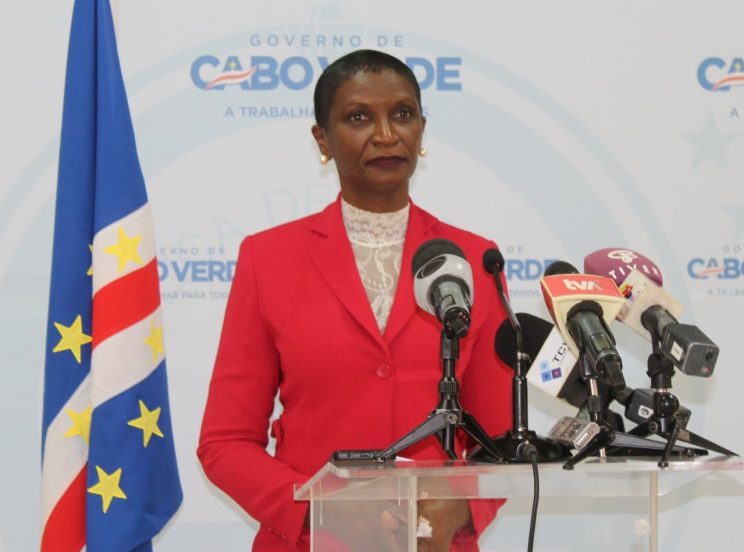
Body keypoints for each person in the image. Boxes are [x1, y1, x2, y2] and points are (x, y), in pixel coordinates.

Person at [197, 49, 513, 551]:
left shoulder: (473, 259)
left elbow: (501, 439)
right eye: (358, 117)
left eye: (402, 114)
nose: (386, 135)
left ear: (422, 130)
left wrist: (462, 508)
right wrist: (321, 507)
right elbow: (225, 442)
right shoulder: (268, 259)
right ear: (322, 139)